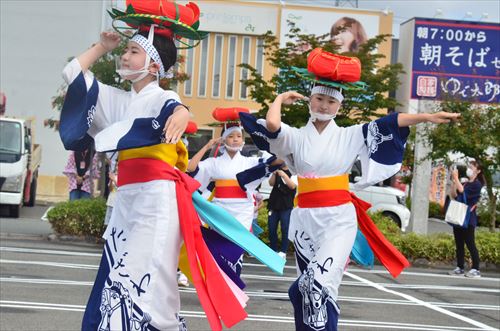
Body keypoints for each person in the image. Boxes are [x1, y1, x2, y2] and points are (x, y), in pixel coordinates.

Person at [58, 2, 284, 330]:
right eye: (125, 50)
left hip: (156, 203)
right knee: (123, 282)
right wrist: (101, 47)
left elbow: (178, 109)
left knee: (144, 286)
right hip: (128, 202)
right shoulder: (115, 99)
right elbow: (72, 75)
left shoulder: (162, 97)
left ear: (153, 64)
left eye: (132, 51)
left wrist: (181, 114)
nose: (124, 56)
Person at [241, 48, 459, 331]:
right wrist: (281, 97)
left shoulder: (350, 134)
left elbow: (391, 123)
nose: (324, 105)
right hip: (306, 218)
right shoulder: (295, 136)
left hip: (338, 219)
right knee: (319, 290)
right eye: (319, 98)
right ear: (310, 99)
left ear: (339, 107)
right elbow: (271, 125)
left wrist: (426, 118)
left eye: (331, 102)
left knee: (319, 282)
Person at [187, 109, 278, 278]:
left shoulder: (250, 161)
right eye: (231, 136)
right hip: (220, 211)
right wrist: (207, 146)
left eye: (238, 136)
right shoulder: (213, 163)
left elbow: (273, 161)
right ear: (223, 139)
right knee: (219, 251)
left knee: (236, 251)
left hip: (242, 211)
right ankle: (221, 286)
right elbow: (191, 168)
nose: (235, 140)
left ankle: (234, 284)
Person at [448, 161, 484, 278]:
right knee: (459, 244)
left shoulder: (476, 185)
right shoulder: (466, 183)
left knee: (470, 243)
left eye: (472, 167)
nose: (469, 169)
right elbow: (454, 195)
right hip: (459, 216)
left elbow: (463, 192)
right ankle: (460, 267)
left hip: (469, 218)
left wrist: (456, 178)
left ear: (478, 171)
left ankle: (476, 269)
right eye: (469, 167)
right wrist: (454, 182)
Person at [267, 165, 296, 259]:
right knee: (271, 228)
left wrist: (283, 175)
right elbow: (271, 183)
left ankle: (283, 251)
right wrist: (274, 174)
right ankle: (273, 250)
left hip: (286, 205)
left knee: (285, 228)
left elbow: (292, 186)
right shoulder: (277, 170)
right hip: (274, 204)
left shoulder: (294, 170)